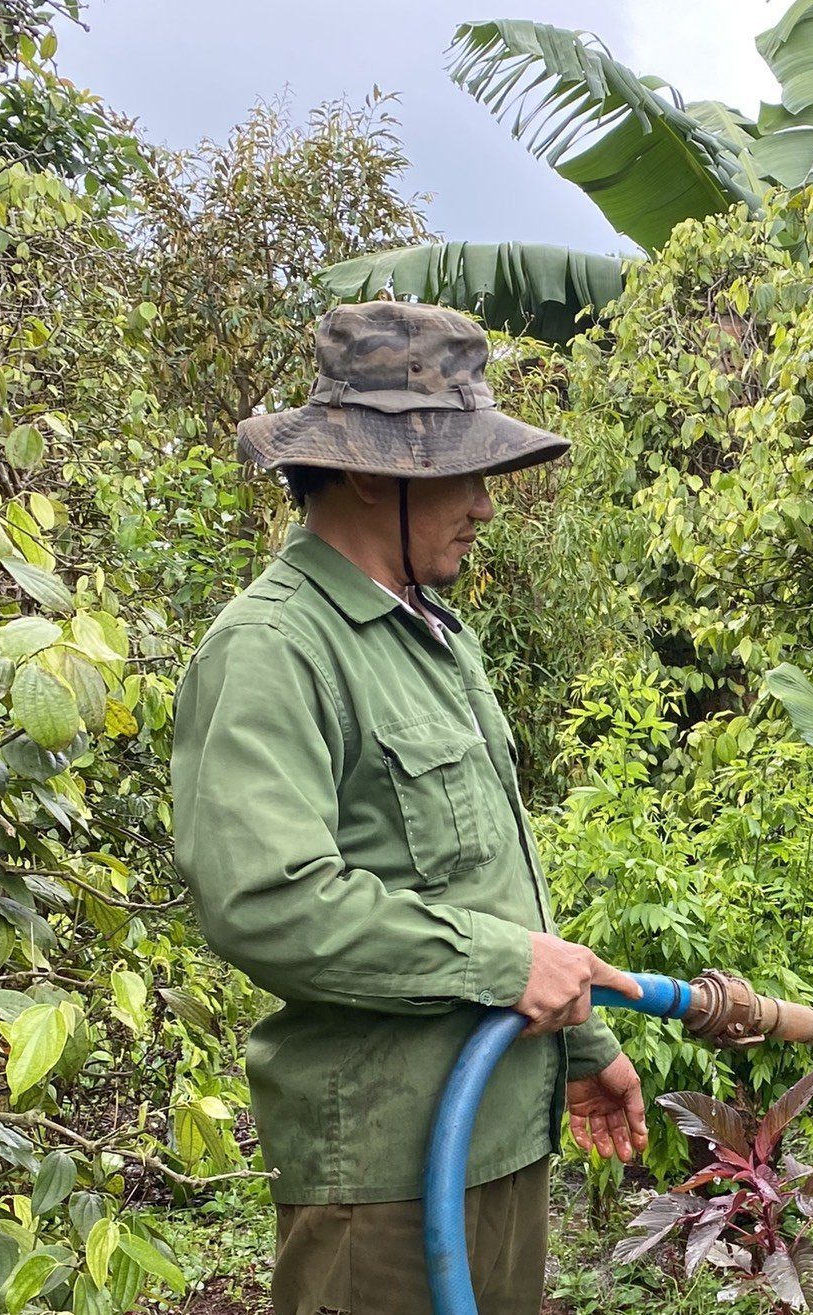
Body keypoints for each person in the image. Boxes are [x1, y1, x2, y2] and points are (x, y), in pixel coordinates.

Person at [172, 300, 648, 1315]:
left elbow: (484, 878)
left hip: (500, 1133)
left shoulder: (434, 635)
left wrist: (578, 1041)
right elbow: (269, 899)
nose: (483, 506)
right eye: (459, 475)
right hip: (386, 1176)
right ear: (359, 470)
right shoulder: (275, 648)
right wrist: (504, 964)